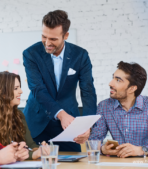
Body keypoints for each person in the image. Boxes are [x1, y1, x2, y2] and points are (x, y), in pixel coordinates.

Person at [23, 10, 97, 152]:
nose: (47, 43)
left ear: (66, 36)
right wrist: (61, 114)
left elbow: (87, 91)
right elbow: (37, 89)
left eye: (53, 39)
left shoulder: (80, 55)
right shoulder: (31, 54)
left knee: (74, 163)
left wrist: (86, 126)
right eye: (44, 37)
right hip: (37, 122)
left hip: (69, 126)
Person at [87, 61, 148, 158]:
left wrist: (142, 150)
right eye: (113, 78)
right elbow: (92, 142)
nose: (110, 83)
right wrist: (103, 149)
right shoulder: (104, 106)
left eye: (118, 80)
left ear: (132, 89)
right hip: (120, 164)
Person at [0, 71, 47, 160]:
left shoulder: (19, 115)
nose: (21, 91)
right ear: (3, 92)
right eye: (16, 88)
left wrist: (40, 150)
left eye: (19, 87)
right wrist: (32, 154)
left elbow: (30, 145)